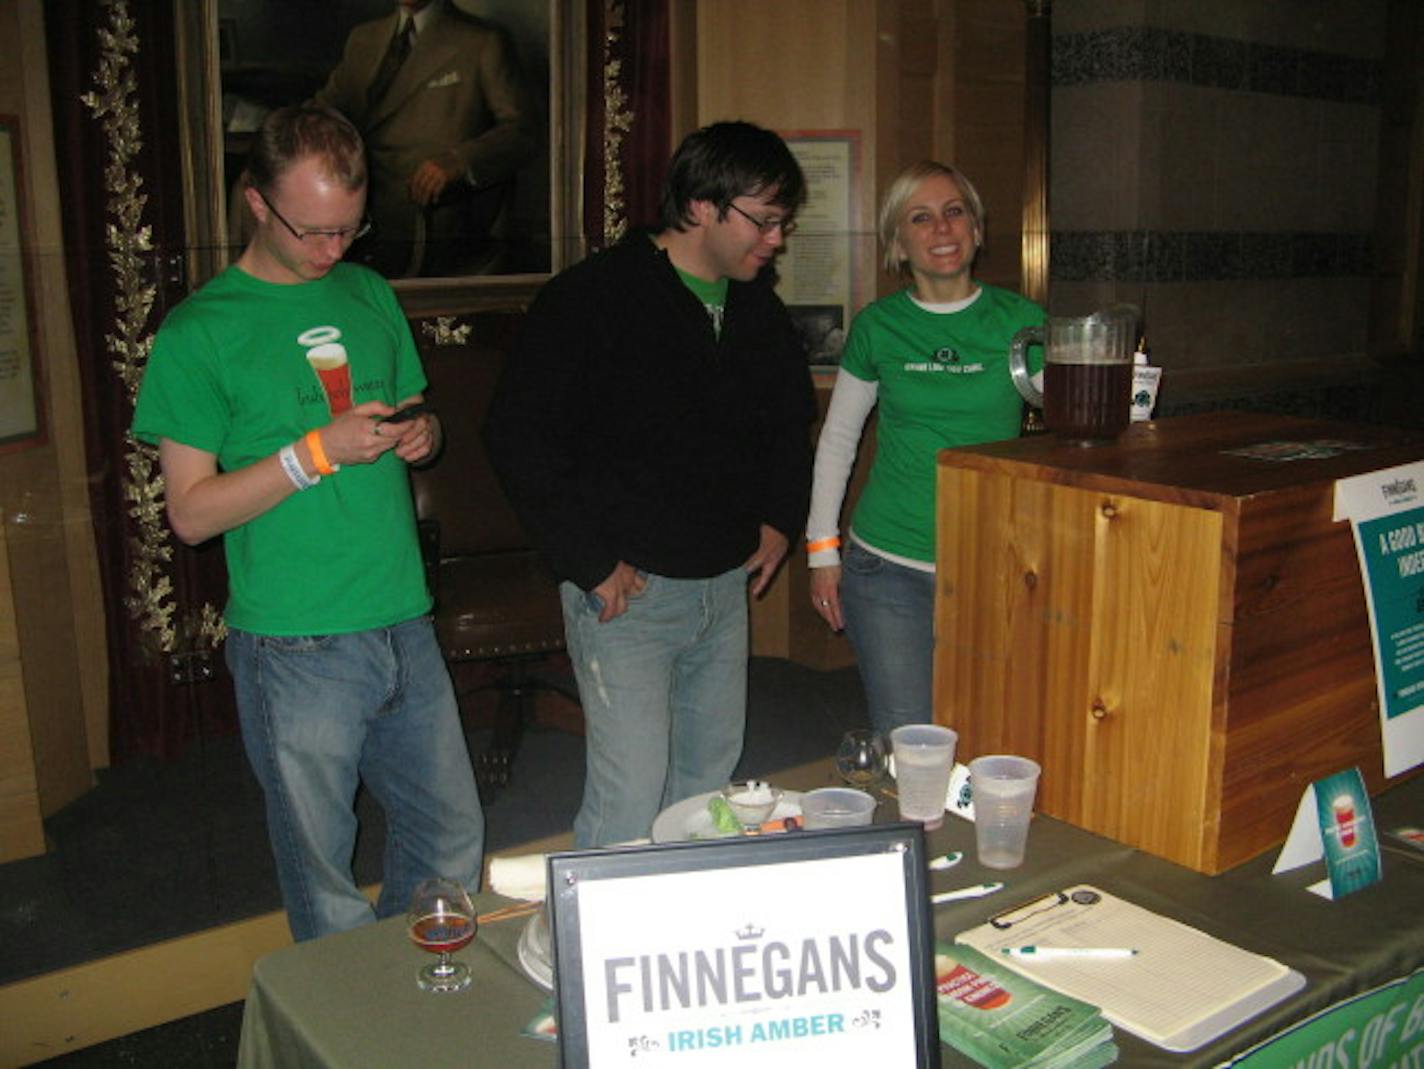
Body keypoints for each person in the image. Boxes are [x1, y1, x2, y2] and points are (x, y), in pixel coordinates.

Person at [132, 104, 485, 942]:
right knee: (323, 881)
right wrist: (314, 452)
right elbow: (188, 513)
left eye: (350, 231)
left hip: (402, 617)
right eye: (316, 230)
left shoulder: (366, 292)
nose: (335, 251)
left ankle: (406, 1004)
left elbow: (410, 421)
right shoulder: (198, 331)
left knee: (451, 843)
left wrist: (420, 434)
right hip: (295, 644)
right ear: (256, 203)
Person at [484, 121, 815, 848]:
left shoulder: (754, 302)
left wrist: (779, 517)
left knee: (705, 784)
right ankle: (598, 944)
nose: (777, 238)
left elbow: (790, 420)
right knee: (629, 796)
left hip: (722, 584)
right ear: (702, 206)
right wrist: (588, 561)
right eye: (764, 219)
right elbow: (517, 437)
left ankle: (677, 938)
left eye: (783, 221)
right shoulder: (591, 298)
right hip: (626, 593)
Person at [805, 160, 1045, 736]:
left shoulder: (1022, 322)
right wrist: (822, 553)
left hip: (993, 564)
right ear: (898, 242)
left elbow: (1073, 431)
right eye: (921, 217)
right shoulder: (878, 327)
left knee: (992, 732)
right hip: (888, 565)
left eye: (954, 212)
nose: (942, 229)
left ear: (977, 229)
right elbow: (838, 441)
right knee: (911, 738)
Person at [313, 0, 537, 278]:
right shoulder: (364, 38)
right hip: (356, 205)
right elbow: (323, 111)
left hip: (429, 214)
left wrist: (460, 161)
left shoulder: (482, 41)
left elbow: (523, 132)